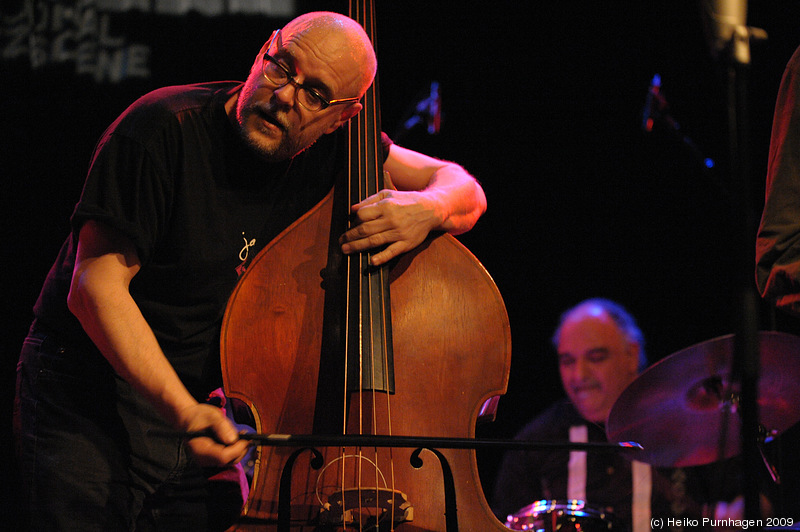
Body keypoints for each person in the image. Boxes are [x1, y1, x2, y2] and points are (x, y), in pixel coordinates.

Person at [13, 11, 487, 531]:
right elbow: (93, 289)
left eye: (316, 95)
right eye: (283, 67)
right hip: (87, 391)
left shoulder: (336, 149)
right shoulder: (160, 128)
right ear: (265, 49)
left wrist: (430, 210)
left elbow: (462, 187)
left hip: (197, 409)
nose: (286, 95)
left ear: (343, 117)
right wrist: (183, 412)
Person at [491, 299, 735, 532]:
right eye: (567, 361)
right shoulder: (535, 443)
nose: (579, 375)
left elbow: (754, 507)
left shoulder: (688, 425)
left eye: (596, 358)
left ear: (631, 354)